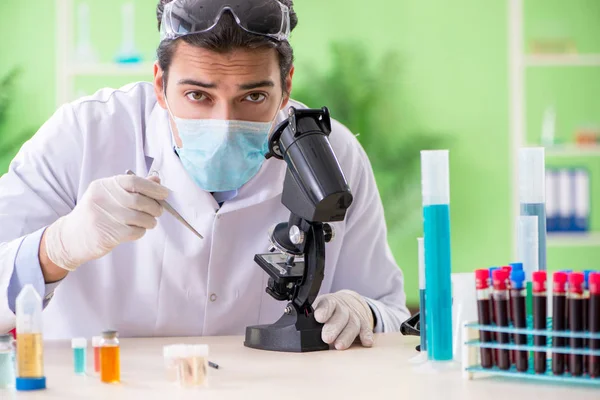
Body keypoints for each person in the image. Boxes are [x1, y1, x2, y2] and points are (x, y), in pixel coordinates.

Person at [0, 0, 409, 349]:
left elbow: (389, 310)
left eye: (254, 96)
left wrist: (364, 314)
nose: (224, 123)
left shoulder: (330, 154)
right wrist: (56, 248)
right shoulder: (85, 134)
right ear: (160, 85)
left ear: (286, 87)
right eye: (198, 95)